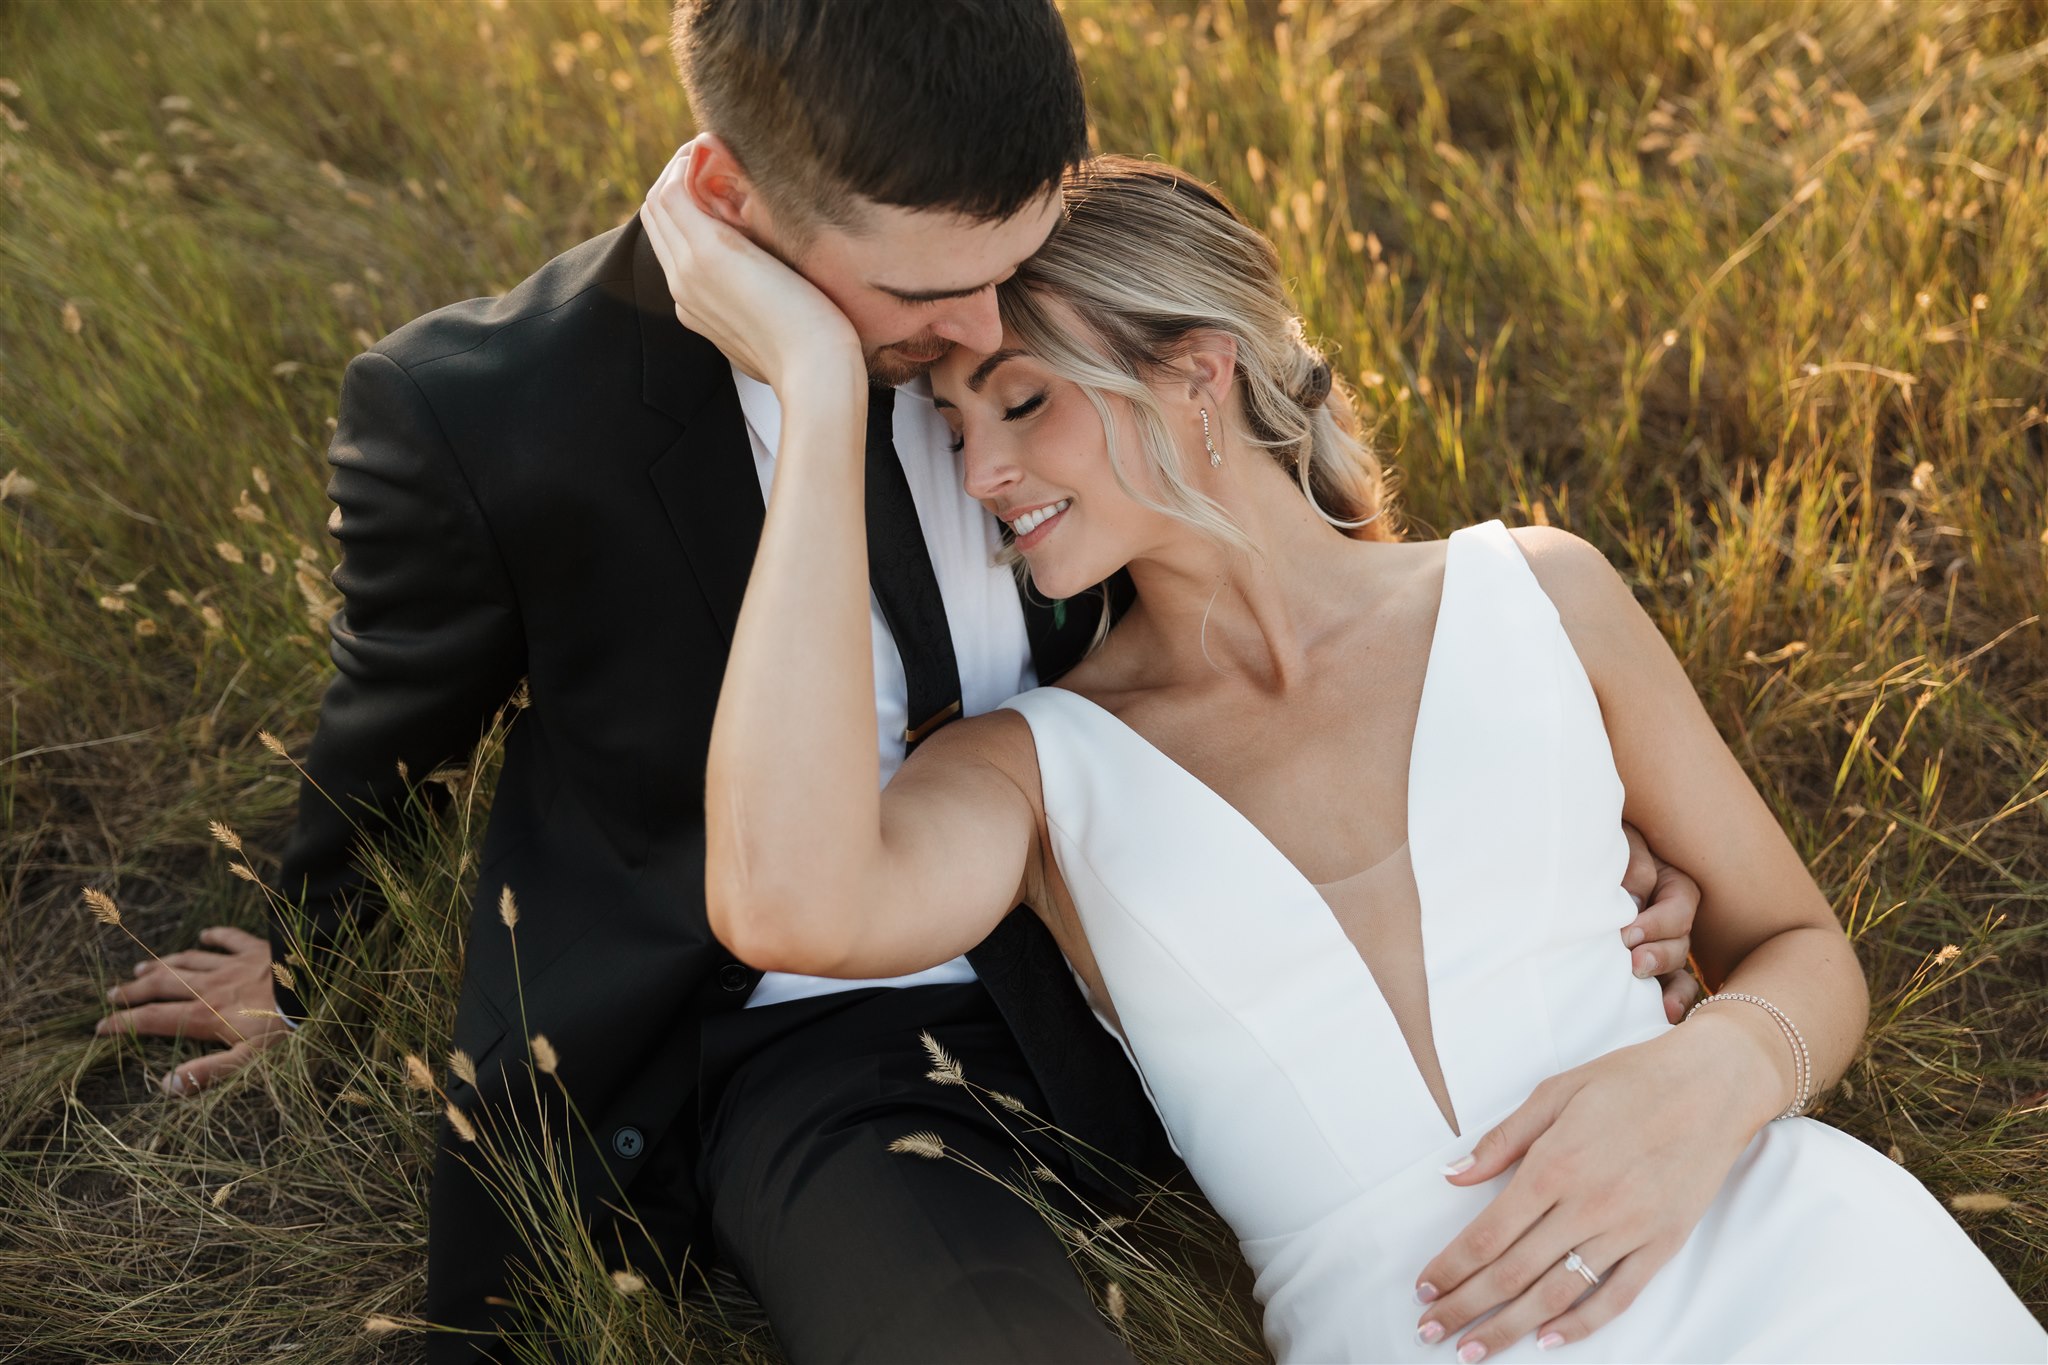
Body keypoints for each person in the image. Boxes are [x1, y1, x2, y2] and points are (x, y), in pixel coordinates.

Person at [94, 4, 1704, 1361]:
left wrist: (1534, 832)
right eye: (927, 303)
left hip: (1156, 933)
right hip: (821, 1037)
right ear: (733, 194)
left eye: (1010, 270)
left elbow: (1243, 518)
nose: (985, 326)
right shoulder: (485, 414)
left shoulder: (1005, 240)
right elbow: (400, 720)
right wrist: (303, 953)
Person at [665, 153, 2048, 1363]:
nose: (977, 473)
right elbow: (789, 900)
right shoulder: (1040, 770)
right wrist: (819, 397)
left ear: (1199, 372)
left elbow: (1803, 943)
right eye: (952, 428)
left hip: (1800, 1261)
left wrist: (1719, 1074)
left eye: (1021, 402)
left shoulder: (1537, 592)